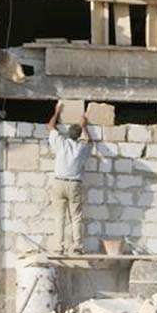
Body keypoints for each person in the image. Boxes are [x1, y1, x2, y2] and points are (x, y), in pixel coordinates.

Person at [47, 101, 92, 254]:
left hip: (59, 183)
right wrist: (84, 126)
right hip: (74, 184)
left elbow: (51, 126)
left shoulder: (61, 142)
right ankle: (77, 247)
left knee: (59, 217)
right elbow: (89, 141)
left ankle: (58, 248)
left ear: (68, 134)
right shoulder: (81, 148)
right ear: (78, 135)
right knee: (76, 216)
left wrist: (57, 111)